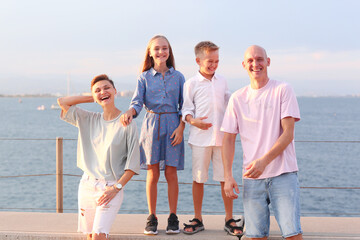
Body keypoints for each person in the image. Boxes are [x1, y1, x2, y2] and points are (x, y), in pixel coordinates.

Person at [221, 45, 303, 240]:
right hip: (251, 178)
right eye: (250, 60)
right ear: (244, 65)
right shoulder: (237, 98)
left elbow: (288, 133)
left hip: (283, 173)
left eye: (259, 59)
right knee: (256, 237)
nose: (255, 64)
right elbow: (228, 139)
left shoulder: (283, 89)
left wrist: (263, 161)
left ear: (268, 61)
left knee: (292, 235)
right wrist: (227, 176)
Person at [57, 74, 140, 240]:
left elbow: (132, 164)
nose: (103, 92)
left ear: (115, 91)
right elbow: (63, 102)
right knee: (90, 236)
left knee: (99, 236)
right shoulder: (89, 119)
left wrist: (115, 188)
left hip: (111, 187)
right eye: (98, 90)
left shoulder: (127, 123)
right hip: (87, 185)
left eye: (107, 88)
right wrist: (94, 97)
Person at [120, 35, 185, 235]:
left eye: (164, 48)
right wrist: (129, 113)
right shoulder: (144, 77)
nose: (161, 52)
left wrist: (181, 128)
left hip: (173, 125)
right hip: (150, 125)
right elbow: (137, 103)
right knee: (152, 173)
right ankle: (152, 216)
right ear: (150, 52)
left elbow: (185, 106)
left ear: (169, 51)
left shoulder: (179, 77)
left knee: (171, 172)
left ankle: (173, 216)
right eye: (156, 48)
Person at [182, 41, 244, 236]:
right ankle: (198, 218)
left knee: (225, 178)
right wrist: (193, 121)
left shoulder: (222, 81)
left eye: (217, 61)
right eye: (210, 61)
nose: (213, 65)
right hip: (200, 139)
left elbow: (229, 100)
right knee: (198, 179)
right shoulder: (191, 83)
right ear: (198, 60)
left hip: (221, 139)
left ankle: (229, 218)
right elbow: (186, 109)